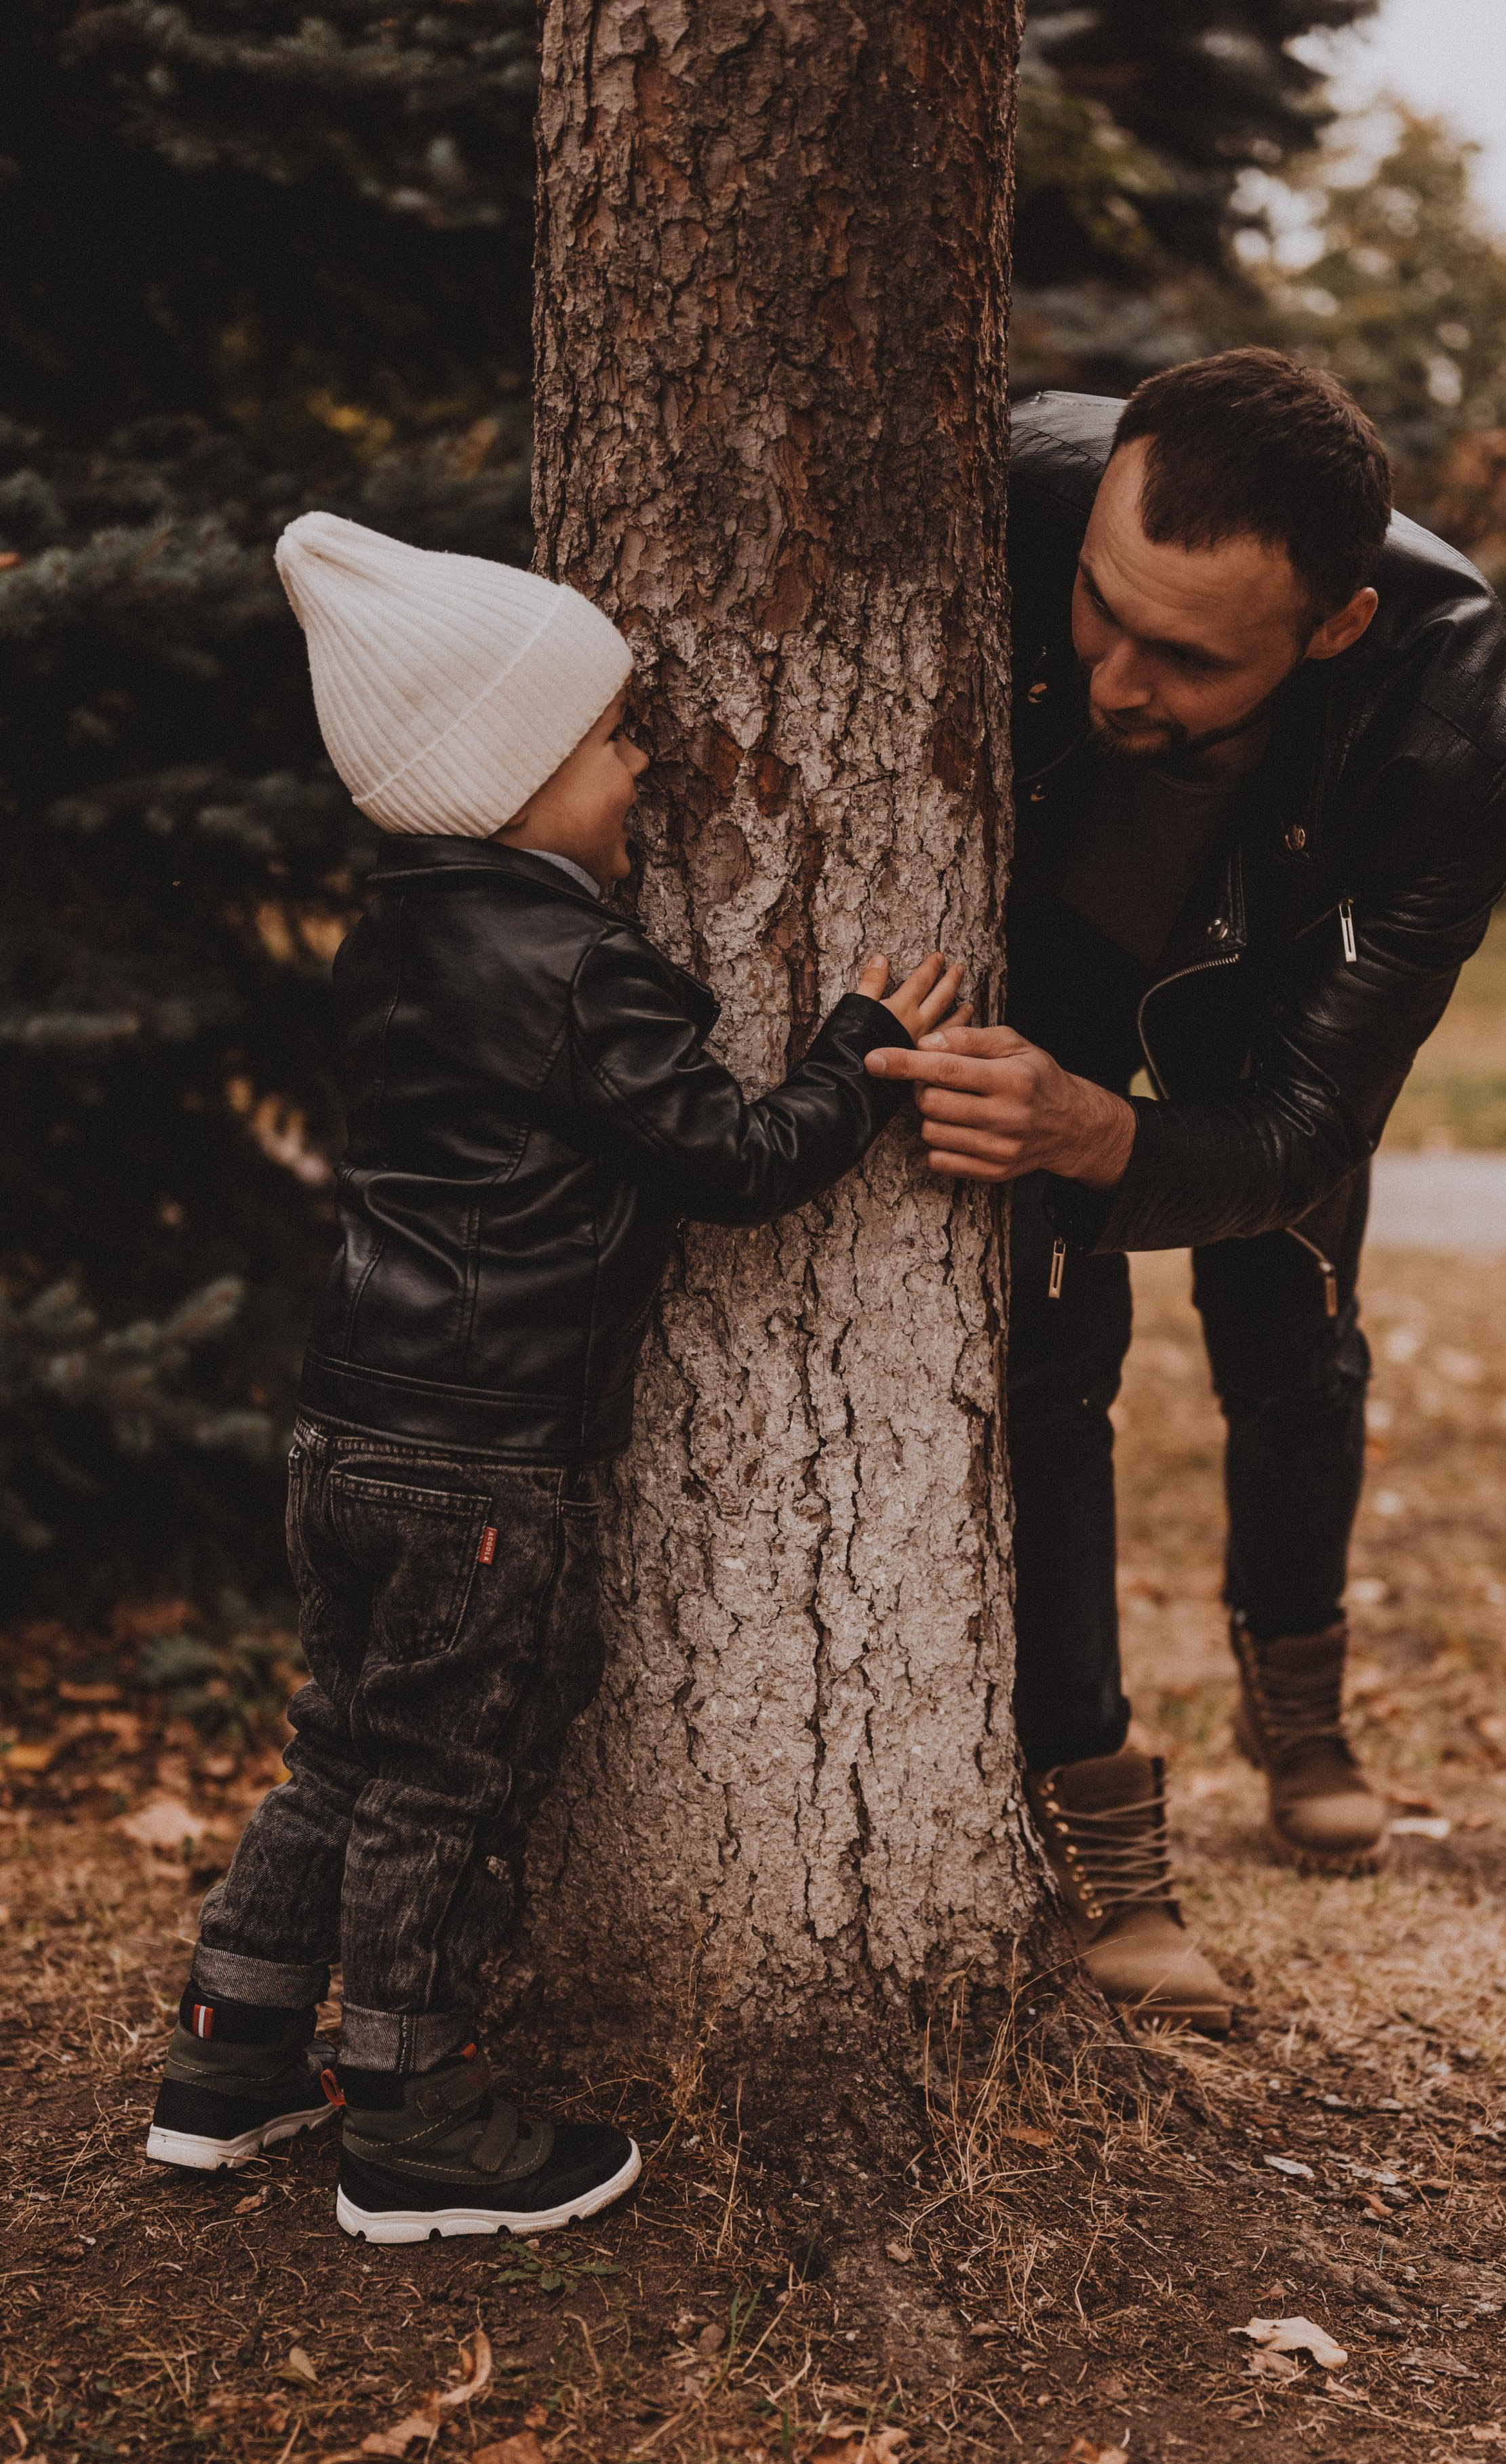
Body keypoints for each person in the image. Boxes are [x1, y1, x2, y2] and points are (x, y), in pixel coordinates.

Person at [146, 513, 964, 2240]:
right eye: (608, 740)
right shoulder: (584, 969)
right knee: (447, 1769)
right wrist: (852, 1056)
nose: (639, 765)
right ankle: (415, 2111)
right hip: (482, 1462)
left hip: (346, 1428)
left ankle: (231, 2049)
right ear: (513, 778)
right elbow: (728, 1159)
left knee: (341, 1741)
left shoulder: (388, 947)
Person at [869, 350, 1506, 2036]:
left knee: (1294, 1329)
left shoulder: (1458, 726)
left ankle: (1298, 1708)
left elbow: (1311, 1119)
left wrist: (1112, 1137)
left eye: (1185, 657)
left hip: (1269, 1000)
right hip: (1060, 945)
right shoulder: (1011, 488)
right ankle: (1101, 1820)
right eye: (1100, 612)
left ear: (1332, 629)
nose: (1110, 674)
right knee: (1044, 1357)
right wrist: (1055, 1114)